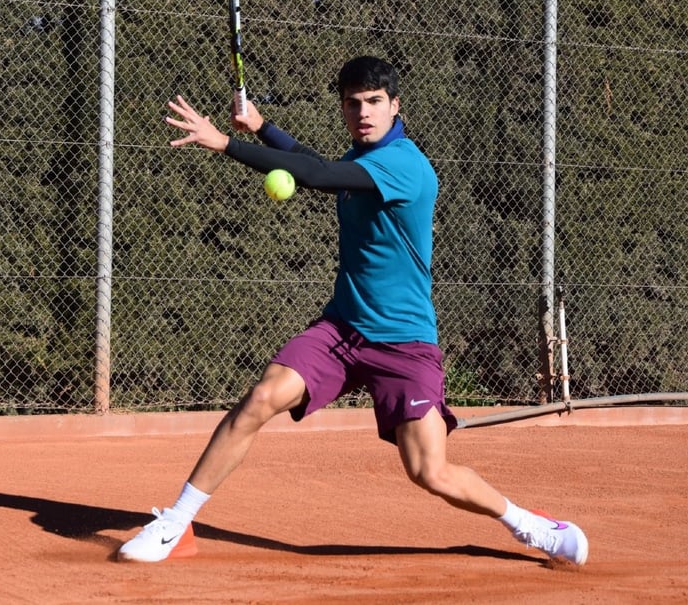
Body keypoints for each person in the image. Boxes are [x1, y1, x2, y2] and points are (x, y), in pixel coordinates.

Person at [116, 56, 588, 566]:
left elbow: (318, 174)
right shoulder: (363, 160)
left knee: (431, 472)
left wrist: (228, 143)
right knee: (262, 397)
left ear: (395, 106)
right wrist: (262, 127)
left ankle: (530, 525)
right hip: (341, 329)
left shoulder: (406, 165)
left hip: (404, 341)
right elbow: (322, 165)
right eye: (352, 103)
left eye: (374, 102)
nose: (363, 112)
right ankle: (177, 522)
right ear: (343, 108)